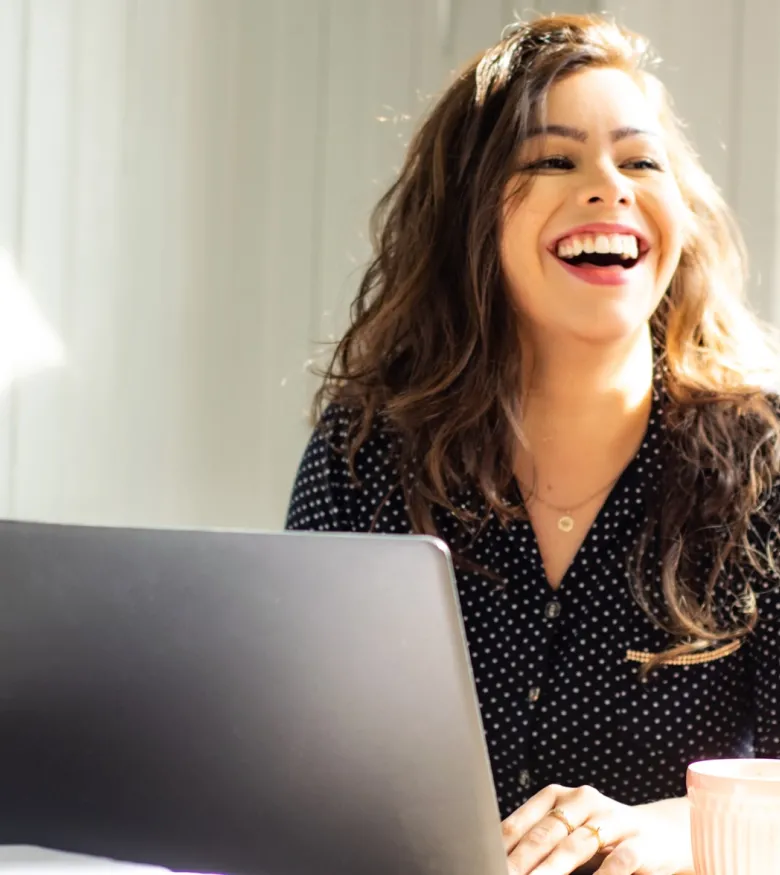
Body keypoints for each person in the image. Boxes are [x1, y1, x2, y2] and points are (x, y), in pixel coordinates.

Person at [285, 13, 780, 875]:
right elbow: (286, 755)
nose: (610, 187)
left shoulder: (767, 462)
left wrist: (663, 831)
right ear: (471, 216)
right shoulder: (365, 450)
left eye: (640, 160)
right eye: (554, 159)